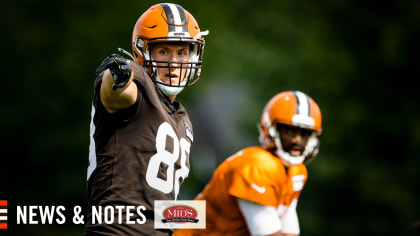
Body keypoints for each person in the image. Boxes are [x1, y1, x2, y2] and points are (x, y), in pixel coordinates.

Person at [84, 3, 208, 236]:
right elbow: (116, 93)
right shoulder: (137, 84)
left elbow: (159, 207)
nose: (173, 63)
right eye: (164, 51)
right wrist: (117, 76)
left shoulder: (183, 119)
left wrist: (205, 216)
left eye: (182, 52)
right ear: (143, 52)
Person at [174, 91, 322, 236]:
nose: (297, 140)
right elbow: (267, 233)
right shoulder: (257, 166)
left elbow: (289, 227)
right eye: (289, 132)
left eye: (304, 134)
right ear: (271, 128)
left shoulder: (296, 171)